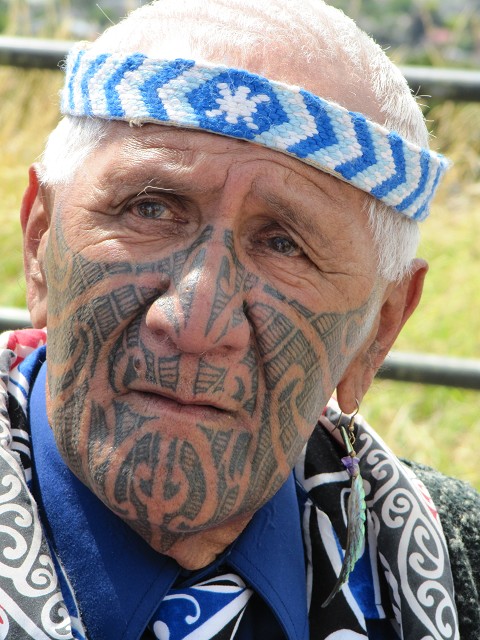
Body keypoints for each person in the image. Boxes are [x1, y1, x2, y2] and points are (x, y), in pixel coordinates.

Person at [0, 0, 478, 638]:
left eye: (284, 245)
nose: (195, 323)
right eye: (150, 209)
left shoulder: (460, 568)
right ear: (39, 243)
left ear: (380, 329)